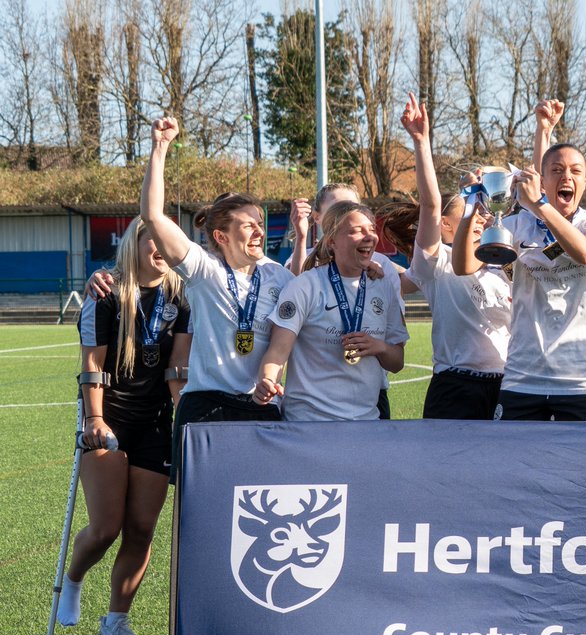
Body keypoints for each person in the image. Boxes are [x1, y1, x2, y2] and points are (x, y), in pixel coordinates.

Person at [58, 217, 190, 635]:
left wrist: (181, 416)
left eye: (166, 242)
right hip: (109, 419)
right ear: (134, 243)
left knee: (140, 530)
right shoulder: (105, 292)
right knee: (105, 528)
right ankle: (73, 579)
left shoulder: (180, 297)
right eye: (152, 240)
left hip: (154, 423)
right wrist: (94, 421)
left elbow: (177, 368)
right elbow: (91, 364)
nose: (161, 249)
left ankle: (115, 623)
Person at [139, 117, 293, 467]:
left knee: (258, 512)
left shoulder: (279, 277)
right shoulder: (203, 269)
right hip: (207, 407)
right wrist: (160, 148)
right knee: (196, 516)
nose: (259, 230)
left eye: (260, 223)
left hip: (261, 406)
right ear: (222, 237)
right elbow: (152, 215)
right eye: (248, 224)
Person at [453, 137, 586, 421]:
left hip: (583, 380)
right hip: (523, 377)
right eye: (557, 170)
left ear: (584, 183)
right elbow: (463, 265)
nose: (567, 176)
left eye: (575, 171)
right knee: (514, 465)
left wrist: (540, 205)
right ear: (542, 180)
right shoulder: (517, 224)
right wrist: (470, 207)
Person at [388, 92, 510, 419]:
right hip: (456, 387)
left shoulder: (504, 263)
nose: (481, 216)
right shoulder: (436, 260)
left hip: (508, 386)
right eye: (471, 208)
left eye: (484, 209)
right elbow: (428, 204)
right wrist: (421, 141)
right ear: (445, 223)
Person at [253, 200, 408, 419]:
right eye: (356, 231)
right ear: (332, 240)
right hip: (309, 420)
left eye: (371, 230)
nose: (369, 236)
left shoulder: (382, 285)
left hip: (366, 420)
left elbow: (397, 362)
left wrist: (379, 347)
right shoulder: (305, 285)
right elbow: (278, 351)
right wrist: (268, 381)